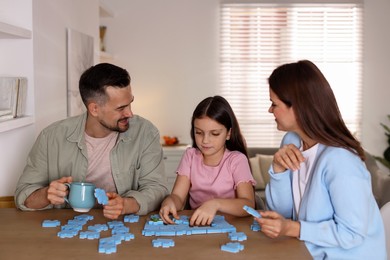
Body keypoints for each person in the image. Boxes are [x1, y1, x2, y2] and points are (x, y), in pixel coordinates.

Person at [253, 60, 386, 259]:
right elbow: (282, 212)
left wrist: (292, 229)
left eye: (274, 104)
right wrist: (278, 169)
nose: (270, 110)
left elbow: (352, 233)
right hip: (306, 252)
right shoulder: (291, 141)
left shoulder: (341, 160)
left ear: (298, 107)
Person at [15, 63, 169, 219]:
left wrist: (127, 204)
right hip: (67, 229)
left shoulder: (146, 133)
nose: (130, 113)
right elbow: (23, 197)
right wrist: (46, 195)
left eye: (130, 103)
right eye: (121, 108)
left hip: (124, 227)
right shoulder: (50, 137)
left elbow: (157, 188)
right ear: (94, 109)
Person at [159, 95, 256, 226]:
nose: (205, 140)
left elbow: (248, 204)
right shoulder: (190, 156)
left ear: (228, 133)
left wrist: (215, 204)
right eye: (199, 132)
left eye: (214, 133)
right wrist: (170, 201)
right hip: (197, 227)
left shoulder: (237, 160)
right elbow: (178, 197)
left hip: (232, 226)